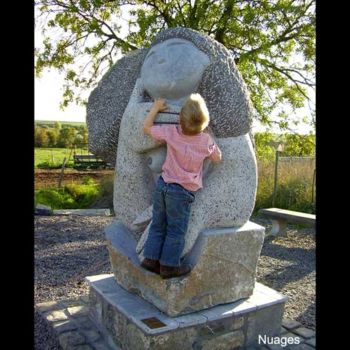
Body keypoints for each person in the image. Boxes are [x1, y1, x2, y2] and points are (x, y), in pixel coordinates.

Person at [141, 93, 222, 279]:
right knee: (176, 231)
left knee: (158, 225)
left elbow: (147, 128)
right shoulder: (205, 141)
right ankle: (169, 267)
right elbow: (218, 158)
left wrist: (156, 107)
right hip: (182, 192)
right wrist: (210, 140)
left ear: (181, 118)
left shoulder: (172, 132)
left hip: (163, 186)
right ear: (204, 122)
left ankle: (150, 259)